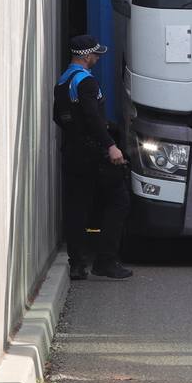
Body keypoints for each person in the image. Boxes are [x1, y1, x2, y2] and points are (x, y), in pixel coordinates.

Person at [53, 35, 132, 281]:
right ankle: (106, 261)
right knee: (119, 201)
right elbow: (92, 118)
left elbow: (60, 117)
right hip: (93, 154)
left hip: (72, 152)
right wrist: (110, 145)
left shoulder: (63, 81)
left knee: (77, 208)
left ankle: (77, 265)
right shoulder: (86, 82)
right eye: (96, 54)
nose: (98, 58)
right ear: (86, 56)